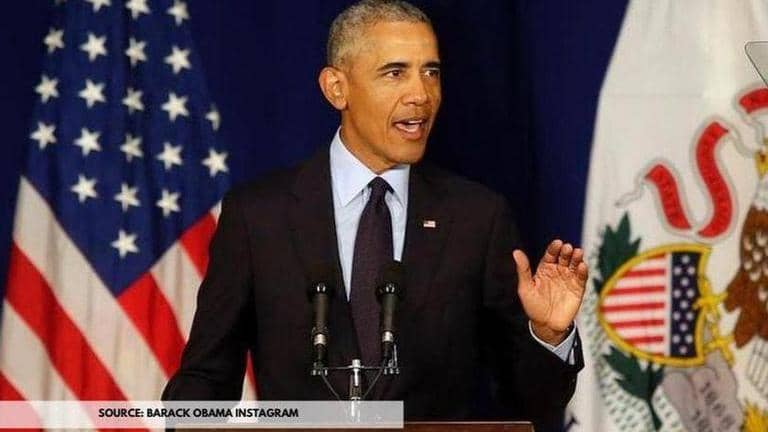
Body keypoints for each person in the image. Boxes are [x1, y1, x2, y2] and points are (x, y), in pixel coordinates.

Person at [163, 1, 587, 430]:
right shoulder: (258, 217)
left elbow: (529, 400)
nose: (421, 94)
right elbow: (207, 377)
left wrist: (548, 336)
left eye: (431, 72)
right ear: (337, 88)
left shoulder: (477, 218)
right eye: (395, 72)